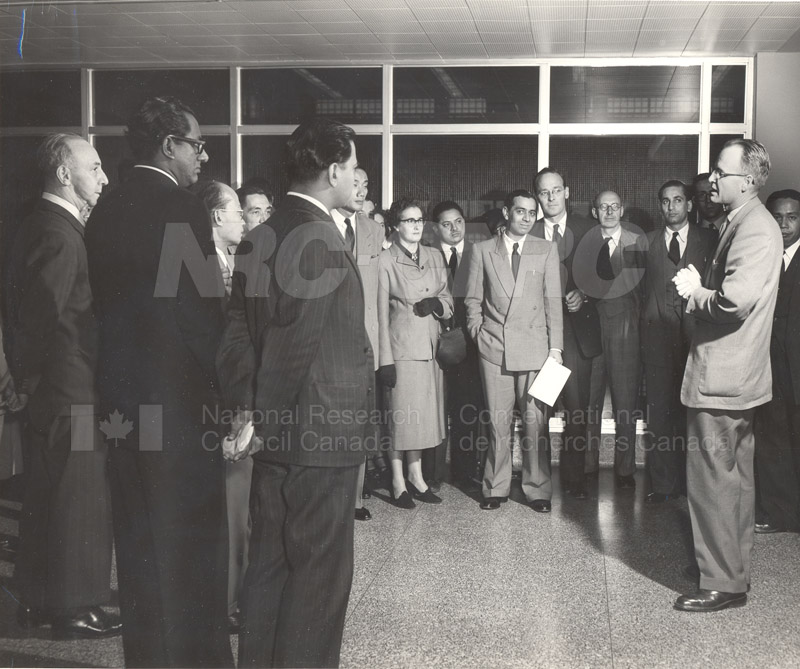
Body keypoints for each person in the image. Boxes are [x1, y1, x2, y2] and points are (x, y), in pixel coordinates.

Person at [218, 118, 374, 668]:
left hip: (279, 438)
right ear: (333, 170)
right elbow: (294, 340)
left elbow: (236, 330)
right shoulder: (319, 238)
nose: (357, 177)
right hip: (319, 436)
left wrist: (250, 411)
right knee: (318, 579)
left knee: (270, 566)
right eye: (353, 167)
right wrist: (262, 415)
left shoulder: (262, 234)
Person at [85, 97, 232, 666]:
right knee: (192, 543)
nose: (202, 155)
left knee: (140, 538)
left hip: (123, 400)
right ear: (169, 145)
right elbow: (197, 310)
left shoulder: (106, 205)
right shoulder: (182, 206)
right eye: (196, 144)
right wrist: (222, 388)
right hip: (179, 403)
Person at [7, 133, 119, 639]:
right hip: (69, 393)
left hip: (60, 392)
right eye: (94, 168)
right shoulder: (58, 233)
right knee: (78, 499)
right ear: (63, 174)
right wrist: (30, 383)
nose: (103, 177)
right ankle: (76, 608)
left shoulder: (48, 226)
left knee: (52, 499)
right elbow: (40, 319)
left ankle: (41, 600)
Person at [673, 138, 782, 612]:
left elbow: (733, 302)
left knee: (714, 482)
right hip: (738, 379)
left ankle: (721, 582)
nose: (712, 179)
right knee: (735, 482)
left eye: (721, 172)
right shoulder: (743, 223)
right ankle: (733, 571)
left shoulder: (754, 228)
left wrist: (696, 292)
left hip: (723, 378)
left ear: (750, 180)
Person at [465, 189, 563, 513]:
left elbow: (553, 304)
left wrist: (556, 349)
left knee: (536, 423)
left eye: (532, 213)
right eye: (520, 212)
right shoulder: (482, 250)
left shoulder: (546, 249)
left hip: (536, 350)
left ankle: (537, 489)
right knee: (497, 422)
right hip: (495, 348)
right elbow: (472, 300)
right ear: (507, 213)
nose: (526, 218)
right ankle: (495, 486)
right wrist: (478, 333)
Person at [640, 181, 716, 503]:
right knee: (659, 415)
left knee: (694, 415)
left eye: (678, 200)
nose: (671, 207)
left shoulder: (710, 240)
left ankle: (693, 486)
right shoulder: (646, 243)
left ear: (689, 205)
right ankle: (664, 485)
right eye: (665, 201)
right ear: (660, 206)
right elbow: (635, 291)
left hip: (696, 342)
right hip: (657, 342)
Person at [197, 180, 250, 632]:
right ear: (216, 217)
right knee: (226, 508)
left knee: (240, 509)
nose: (244, 220)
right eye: (237, 211)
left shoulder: (237, 261)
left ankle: (232, 600)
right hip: (218, 405)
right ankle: (221, 604)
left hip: (238, 401)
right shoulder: (198, 265)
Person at [378, 198, 453, 508]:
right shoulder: (385, 261)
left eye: (419, 220)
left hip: (432, 349)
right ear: (396, 226)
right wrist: (385, 361)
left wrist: (438, 305)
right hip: (402, 349)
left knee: (422, 420)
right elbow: (381, 315)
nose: (416, 226)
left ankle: (417, 476)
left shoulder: (435, 256)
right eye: (409, 221)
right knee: (400, 418)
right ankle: (398, 482)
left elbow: (447, 300)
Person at [532, 168, 602, 499]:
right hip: (538, 335)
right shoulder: (527, 231)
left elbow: (607, 276)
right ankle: (539, 482)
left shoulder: (589, 230)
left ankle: (574, 480)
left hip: (575, 336)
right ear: (537, 197)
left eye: (556, 190)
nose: (551, 197)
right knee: (539, 408)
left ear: (567, 191)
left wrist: (585, 294)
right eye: (544, 192)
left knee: (576, 411)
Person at [572, 190, 645, 490]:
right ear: (594, 212)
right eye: (604, 207)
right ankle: (588, 464)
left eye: (614, 207)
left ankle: (625, 469)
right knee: (590, 399)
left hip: (623, 326)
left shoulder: (635, 243)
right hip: (590, 328)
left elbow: (633, 286)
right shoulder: (585, 243)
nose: (610, 212)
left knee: (625, 400)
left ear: (622, 209)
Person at [330, 166, 387, 521]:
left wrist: (383, 349)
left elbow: (380, 292)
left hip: (366, 338)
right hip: (331, 337)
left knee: (362, 421)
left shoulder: (374, 229)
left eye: (367, 185)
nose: (362, 190)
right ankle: (332, 498)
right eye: (356, 184)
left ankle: (355, 500)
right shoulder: (322, 225)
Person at [427, 200, 485, 490]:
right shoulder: (426, 255)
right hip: (433, 342)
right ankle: (431, 474)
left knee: (466, 410)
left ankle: (464, 474)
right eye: (446, 224)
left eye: (459, 221)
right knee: (434, 409)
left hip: (469, 345)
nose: (454, 228)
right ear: (436, 228)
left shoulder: (479, 253)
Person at [753, 189, 800, 534]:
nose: (783, 225)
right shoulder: (761, 257)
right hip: (768, 367)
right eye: (777, 217)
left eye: (792, 217)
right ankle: (779, 514)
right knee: (772, 441)